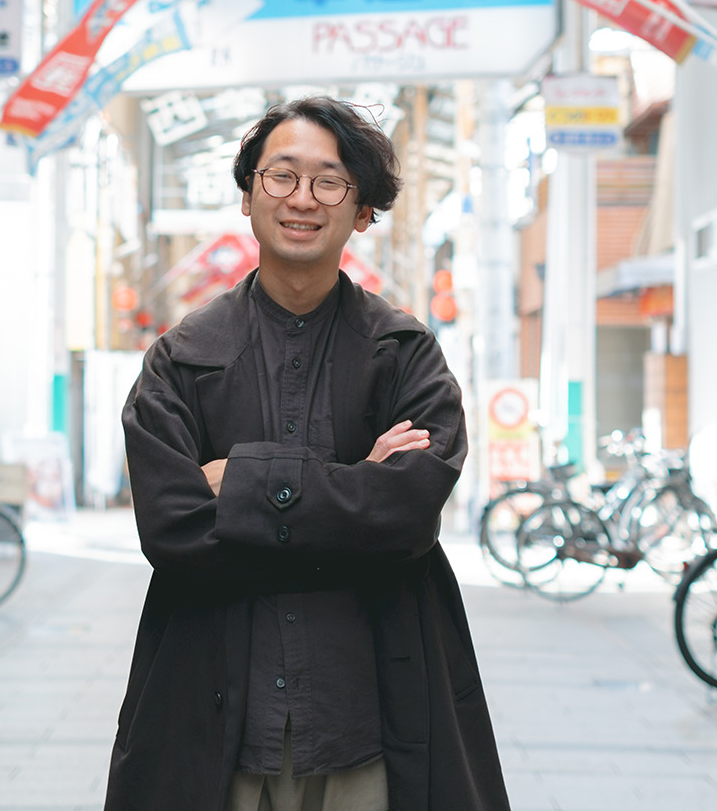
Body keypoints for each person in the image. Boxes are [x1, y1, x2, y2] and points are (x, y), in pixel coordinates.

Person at [106, 97, 509, 811]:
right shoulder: (180, 359)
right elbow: (171, 529)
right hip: (210, 716)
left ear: (362, 210)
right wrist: (354, 491)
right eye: (282, 176)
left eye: (329, 181)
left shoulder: (404, 353)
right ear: (248, 194)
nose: (302, 199)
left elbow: (407, 517)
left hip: (370, 717)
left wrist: (241, 484)